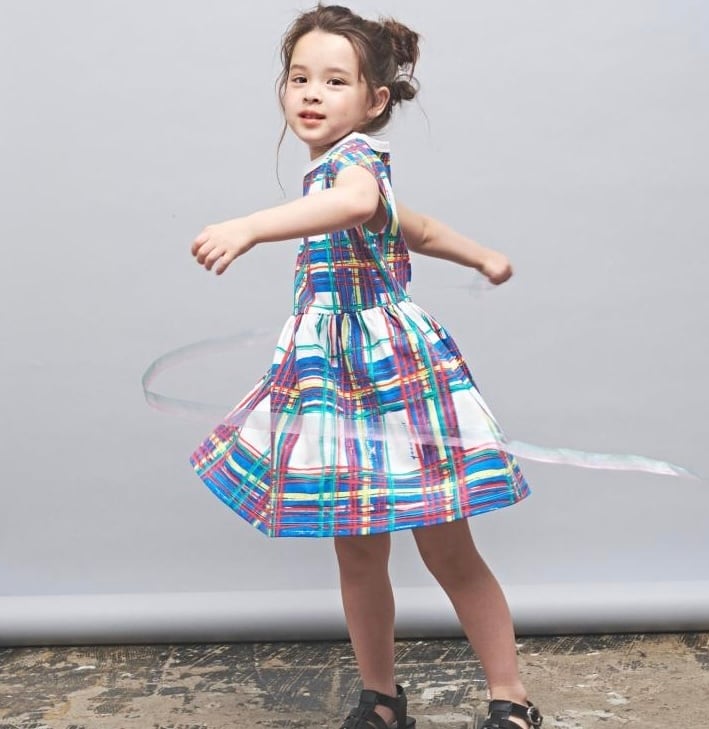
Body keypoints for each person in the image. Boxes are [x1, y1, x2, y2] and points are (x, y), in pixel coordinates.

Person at [189, 5, 543, 729]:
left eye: (334, 81)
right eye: (299, 78)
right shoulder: (328, 172)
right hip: (332, 379)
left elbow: (356, 205)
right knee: (356, 554)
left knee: (449, 549)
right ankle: (381, 698)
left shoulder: (354, 165)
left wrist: (250, 227)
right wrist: (480, 255)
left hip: (394, 380)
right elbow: (419, 228)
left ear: (375, 100)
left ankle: (510, 697)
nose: (311, 94)